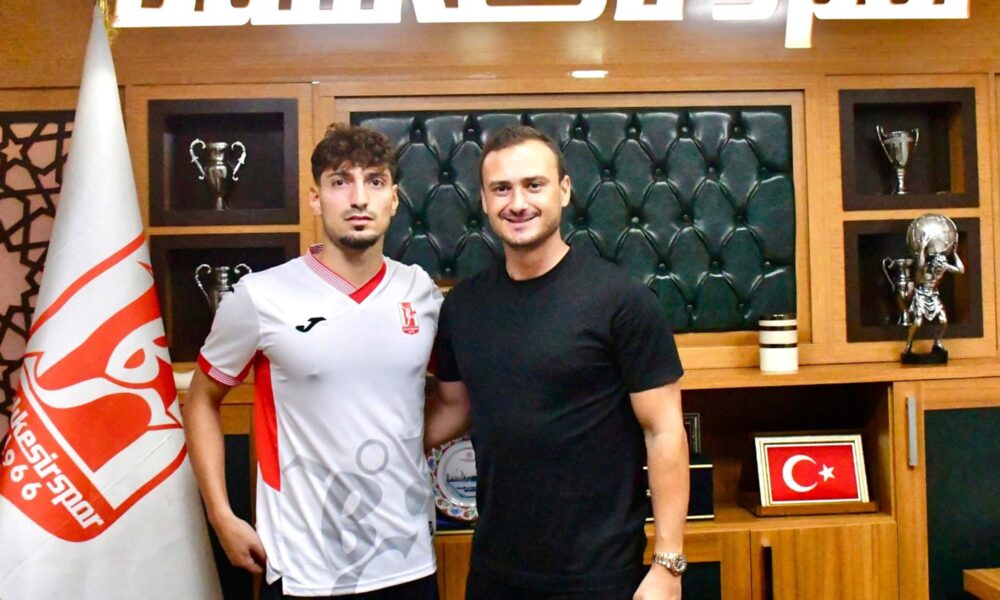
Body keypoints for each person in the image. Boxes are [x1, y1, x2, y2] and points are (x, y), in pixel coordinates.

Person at [426, 125, 689, 600]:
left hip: (599, 576)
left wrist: (668, 565)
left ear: (564, 191)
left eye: (534, 185)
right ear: (483, 200)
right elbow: (453, 406)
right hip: (494, 572)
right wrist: (367, 438)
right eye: (501, 189)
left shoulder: (623, 301)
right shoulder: (462, 306)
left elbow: (664, 430)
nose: (517, 203)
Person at [184, 124, 443, 599]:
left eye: (375, 181)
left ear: (393, 199)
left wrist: (394, 444)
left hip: (409, 560)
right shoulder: (259, 296)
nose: (359, 198)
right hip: (305, 568)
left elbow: (456, 397)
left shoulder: (420, 291)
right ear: (315, 198)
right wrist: (221, 516)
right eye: (340, 181)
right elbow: (201, 400)